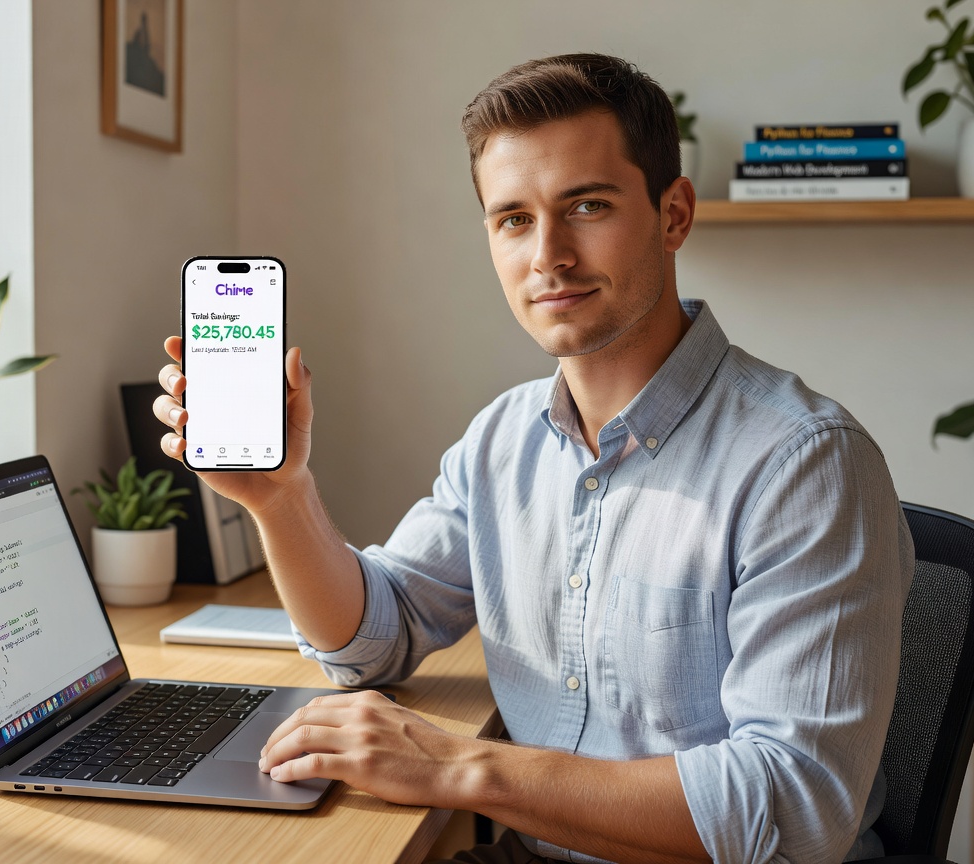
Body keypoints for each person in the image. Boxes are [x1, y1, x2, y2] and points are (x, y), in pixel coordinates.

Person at [152, 53, 913, 864]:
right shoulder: (501, 439)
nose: (548, 254)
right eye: (513, 218)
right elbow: (377, 637)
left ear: (674, 214)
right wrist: (280, 499)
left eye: (586, 205)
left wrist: (458, 764)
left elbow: (791, 811)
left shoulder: (805, 464)